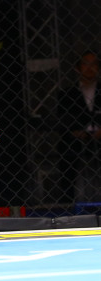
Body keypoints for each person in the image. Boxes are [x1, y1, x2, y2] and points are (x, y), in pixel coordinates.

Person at [57, 51, 101, 202]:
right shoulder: (67, 93)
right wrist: (75, 131)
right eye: (85, 64)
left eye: (94, 64)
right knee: (66, 148)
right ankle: (67, 202)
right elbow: (62, 119)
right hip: (76, 138)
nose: (89, 68)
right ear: (77, 68)